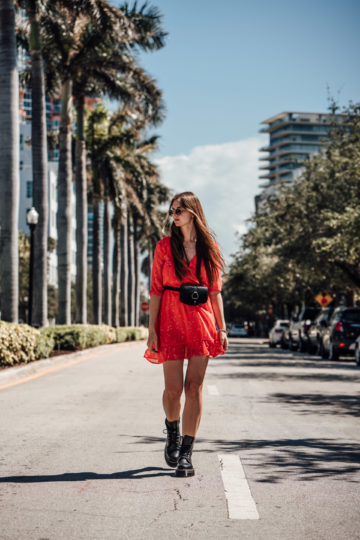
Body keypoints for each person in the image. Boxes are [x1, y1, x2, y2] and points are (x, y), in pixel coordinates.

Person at [145, 191, 228, 477]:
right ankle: (172, 431)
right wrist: (151, 329)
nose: (174, 214)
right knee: (173, 390)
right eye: (172, 210)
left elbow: (216, 291)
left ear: (193, 212)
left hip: (201, 321)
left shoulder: (210, 248)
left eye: (179, 209)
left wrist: (222, 327)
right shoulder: (164, 247)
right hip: (170, 319)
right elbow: (156, 290)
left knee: (194, 388)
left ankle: (187, 453)